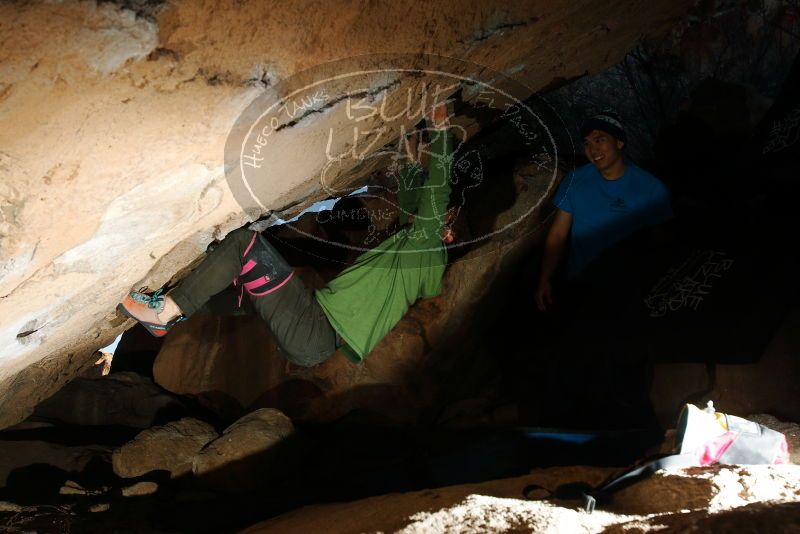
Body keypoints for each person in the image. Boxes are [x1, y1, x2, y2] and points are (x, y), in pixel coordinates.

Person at [118, 103, 457, 367]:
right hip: (313, 334)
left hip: (315, 328)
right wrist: (412, 165)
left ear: (449, 236)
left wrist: (440, 130)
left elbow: (435, 197)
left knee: (242, 245)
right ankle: (169, 302)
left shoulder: (427, 247)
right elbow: (414, 212)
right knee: (245, 288)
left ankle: (165, 313)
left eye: (446, 219)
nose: (441, 218)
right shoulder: (416, 254)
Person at [535, 111, 673, 311]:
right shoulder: (574, 180)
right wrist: (544, 279)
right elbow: (557, 234)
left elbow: (662, 238)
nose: (593, 148)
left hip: (630, 281)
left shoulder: (651, 187)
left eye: (600, 140)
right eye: (587, 143)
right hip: (582, 281)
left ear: (619, 143)